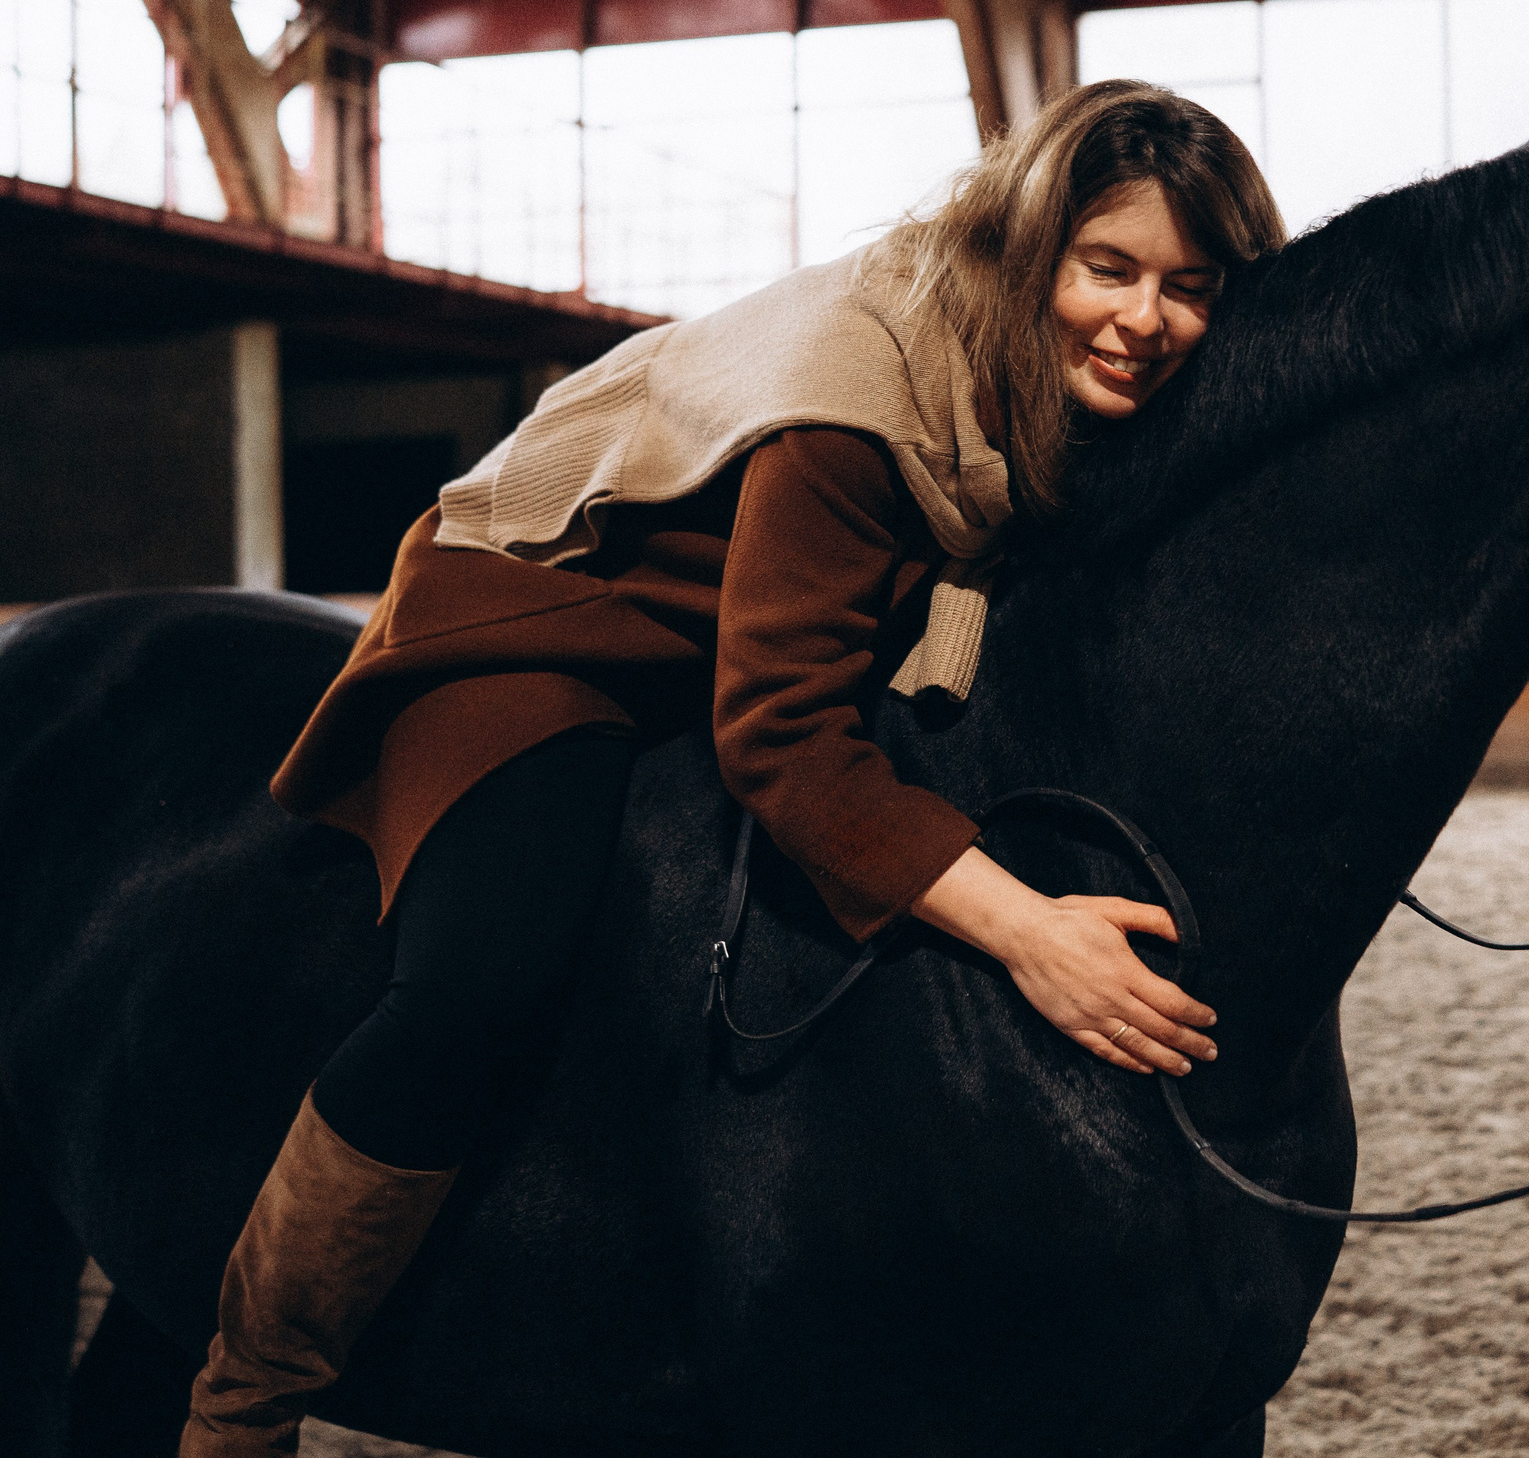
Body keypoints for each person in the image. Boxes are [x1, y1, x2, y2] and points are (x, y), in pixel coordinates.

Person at [181, 80, 1289, 1457]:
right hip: (549, 619)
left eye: (1189, 288)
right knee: (482, 979)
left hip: (715, 632)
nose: (1144, 319)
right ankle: (246, 1392)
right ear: (1030, 250)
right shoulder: (857, 398)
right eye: (1108, 268)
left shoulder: (1047, 381)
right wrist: (1030, 933)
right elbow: (779, 738)